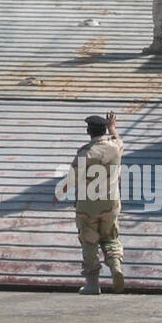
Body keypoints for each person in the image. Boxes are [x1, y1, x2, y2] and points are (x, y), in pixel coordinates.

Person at [58, 113, 125, 295]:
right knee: (110, 237)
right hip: (111, 205)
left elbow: (70, 181)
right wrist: (113, 128)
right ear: (104, 129)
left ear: (89, 131)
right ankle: (115, 266)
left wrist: (59, 194)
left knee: (89, 242)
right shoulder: (116, 147)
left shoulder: (85, 153)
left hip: (88, 207)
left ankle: (92, 284)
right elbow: (118, 139)